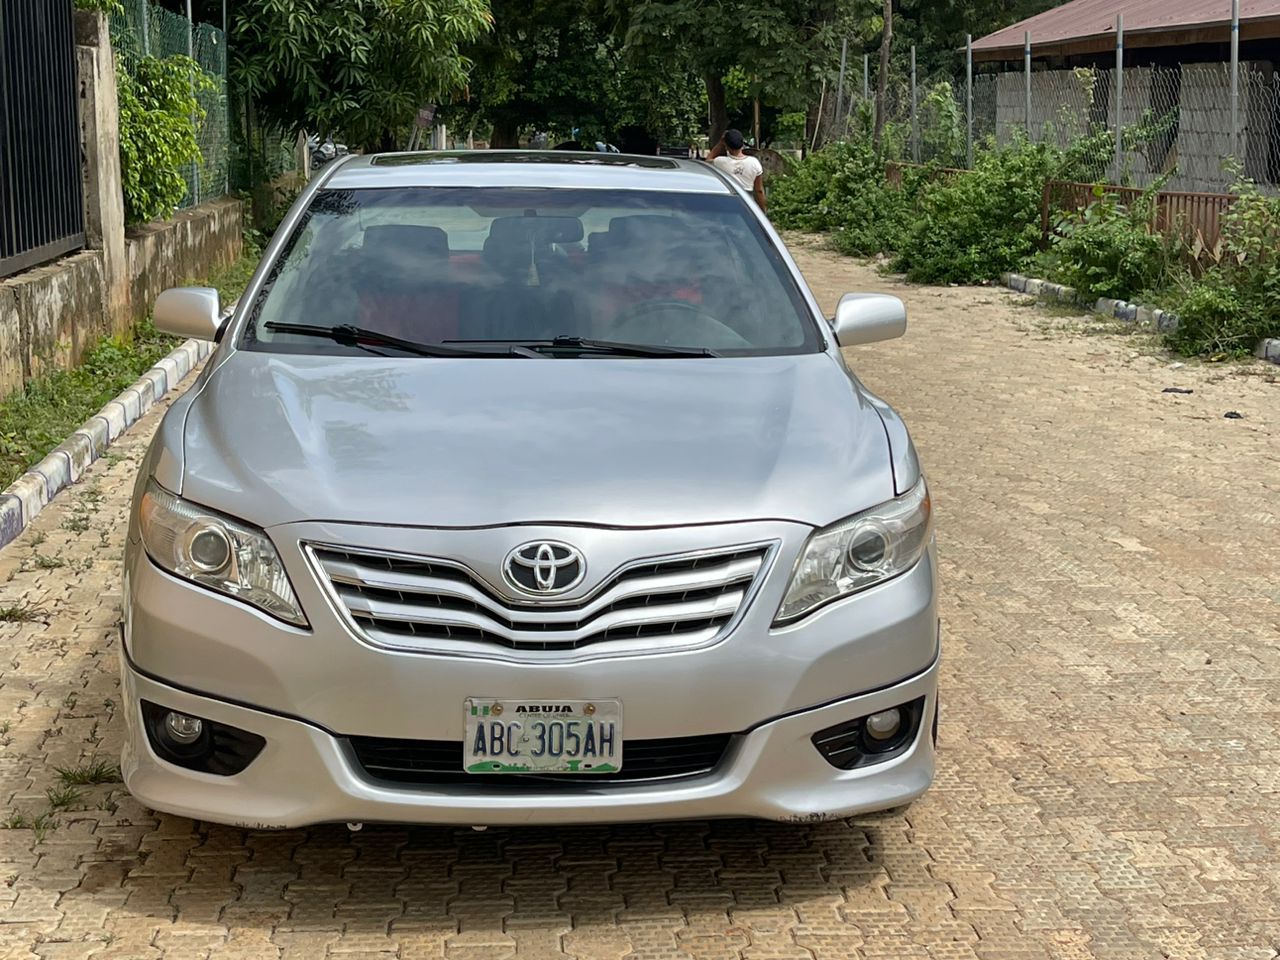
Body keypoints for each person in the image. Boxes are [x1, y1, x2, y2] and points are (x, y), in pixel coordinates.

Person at [708, 129, 766, 211]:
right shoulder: (754, 163)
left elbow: (708, 160)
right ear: (742, 144)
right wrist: (763, 211)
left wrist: (720, 143)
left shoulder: (720, 162)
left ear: (726, 146)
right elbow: (759, 190)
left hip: (727, 201)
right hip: (747, 201)